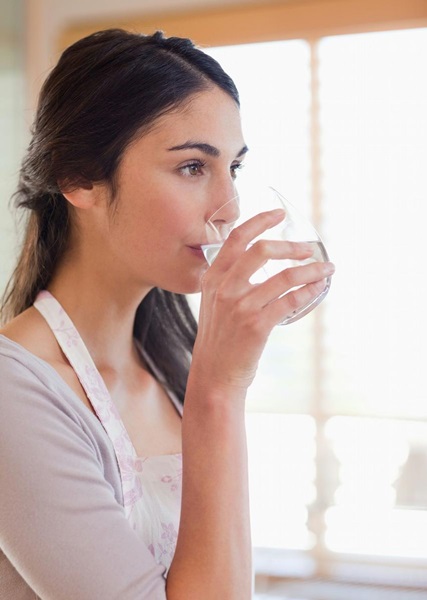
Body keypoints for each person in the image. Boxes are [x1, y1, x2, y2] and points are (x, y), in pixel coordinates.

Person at [0, 29, 334, 599]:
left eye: (234, 169)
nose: (228, 208)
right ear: (79, 178)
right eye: (191, 168)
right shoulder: (15, 394)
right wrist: (220, 388)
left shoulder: (168, 363)